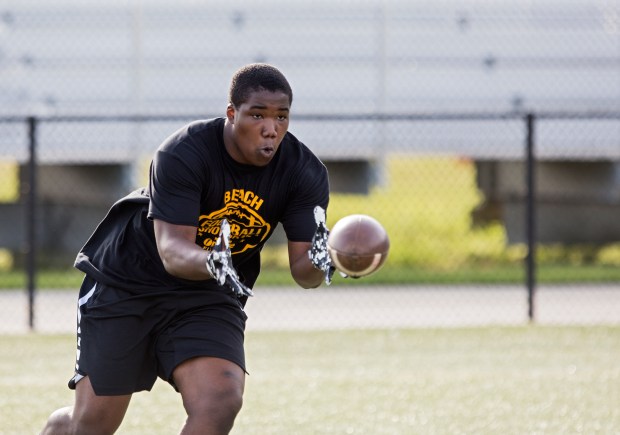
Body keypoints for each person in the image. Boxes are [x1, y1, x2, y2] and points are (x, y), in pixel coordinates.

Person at [41, 63, 335, 435]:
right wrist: (213, 261)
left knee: (221, 398)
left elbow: (303, 272)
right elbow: (173, 251)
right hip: (128, 283)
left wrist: (333, 257)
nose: (270, 128)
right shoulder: (184, 151)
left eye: (281, 117)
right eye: (257, 114)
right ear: (232, 114)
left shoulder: (303, 171)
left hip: (206, 295)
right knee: (92, 424)